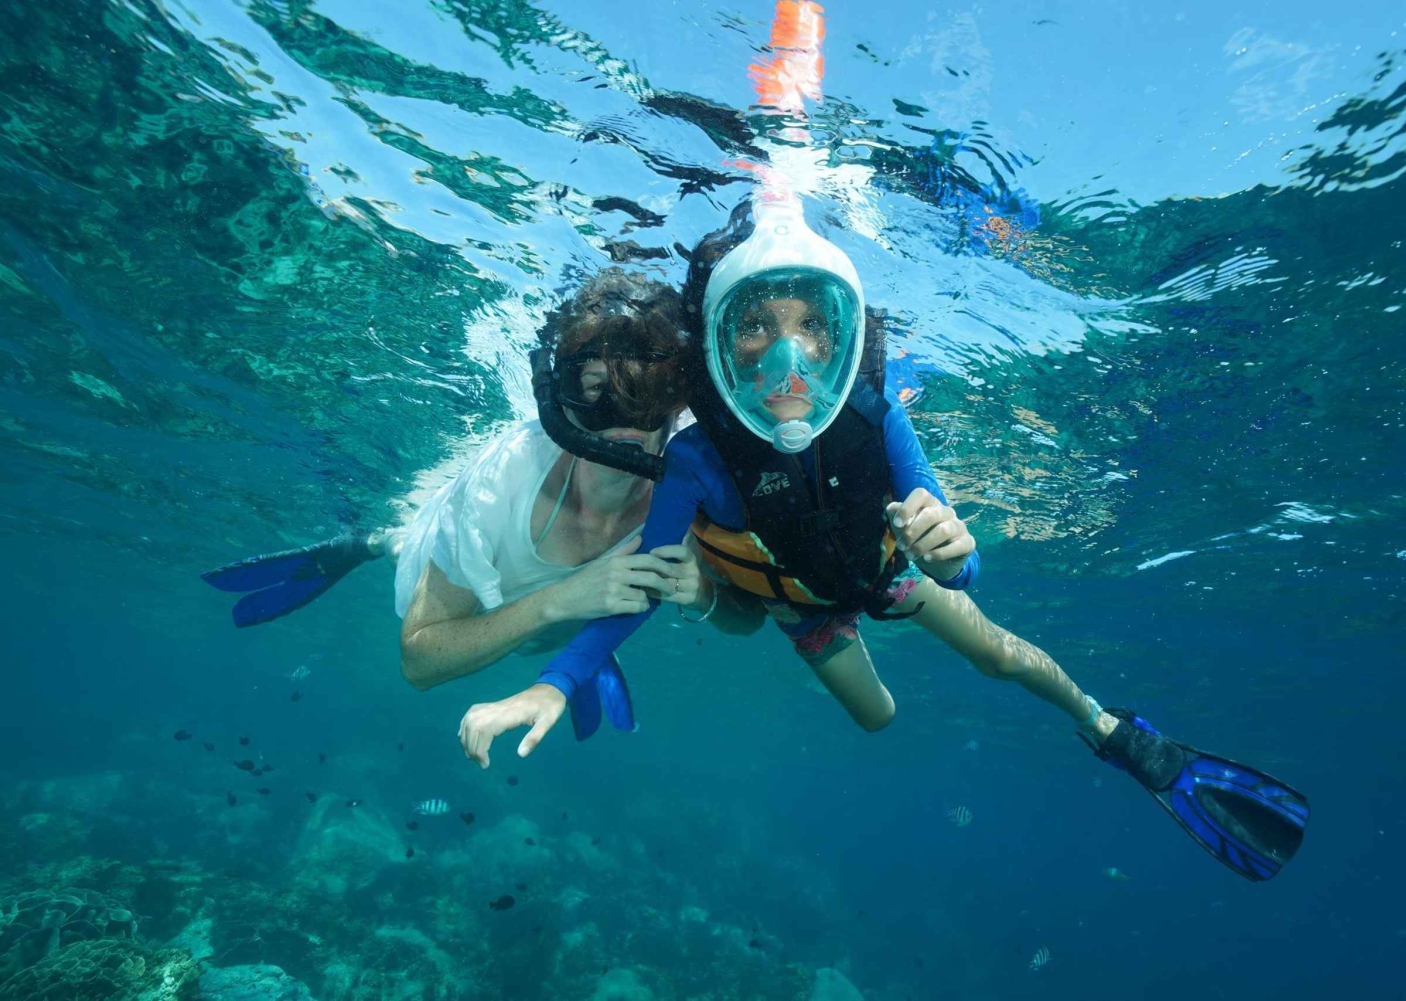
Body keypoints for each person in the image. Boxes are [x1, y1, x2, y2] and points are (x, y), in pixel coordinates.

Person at [456, 199, 1311, 882]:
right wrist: (555, 682)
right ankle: (810, 629)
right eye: (756, 326)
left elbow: (962, 562)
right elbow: (645, 582)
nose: (787, 358)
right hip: (804, 606)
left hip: (889, 573)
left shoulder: (877, 416)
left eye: (810, 327)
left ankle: (1116, 730)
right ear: (719, 342)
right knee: (879, 717)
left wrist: (954, 554)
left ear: (840, 336)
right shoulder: (696, 459)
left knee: (1000, 655)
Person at [201, 269, 763, 734]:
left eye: (649, 390)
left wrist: (704, 592)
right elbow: (418, 662)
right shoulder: (503, 483)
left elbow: (751, 620)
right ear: (562, 396)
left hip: (563, 625)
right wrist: (561, 600)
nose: (625, 418)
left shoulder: (696, 479)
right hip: (476, 577)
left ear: (679, 399)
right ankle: (367, 544)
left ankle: (585, 648)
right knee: (407, 545)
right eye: (595, 390)